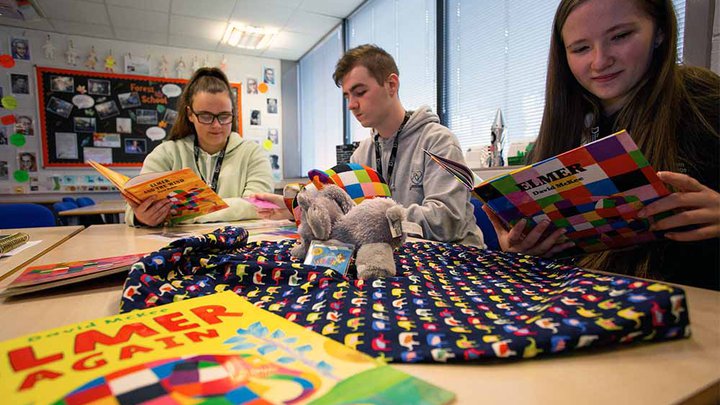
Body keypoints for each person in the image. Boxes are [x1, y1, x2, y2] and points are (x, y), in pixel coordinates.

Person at [486, 0, 719, 289]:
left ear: (659, 32)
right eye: (580, 48)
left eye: (620, 36)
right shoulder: (562, 126)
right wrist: (522, 248)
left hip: (690, 305)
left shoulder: (705, 103)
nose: (599, 61)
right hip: (580, 304)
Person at [253, 45, 484, 247]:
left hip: (453, 257)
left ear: (391, 85)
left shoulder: (438, 142)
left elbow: (446, 222)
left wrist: (376, 218)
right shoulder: (361, 154)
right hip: (394, 257)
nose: (352, 105)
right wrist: (297, 209)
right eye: (346, 96)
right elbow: (345, 212)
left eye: (360, 92)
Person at [124, 67, 274, 227]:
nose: (216, 125)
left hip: (240, 245)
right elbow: (132, 210)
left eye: (224, 116)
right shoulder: (167, 153)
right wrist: (141, 217)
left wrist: (186, 214)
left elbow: (260, 206)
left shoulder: (252, 153)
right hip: (181, 247)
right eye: (206, 116)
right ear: (190, 114)